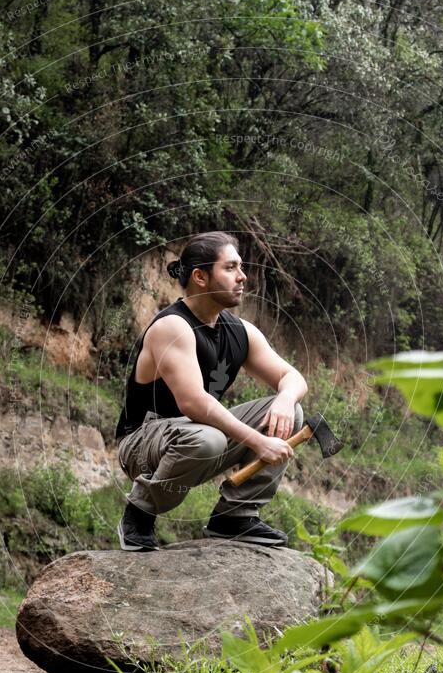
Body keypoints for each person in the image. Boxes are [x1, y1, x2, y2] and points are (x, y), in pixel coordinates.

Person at [115, 230, 308, 551]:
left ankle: (235, 515)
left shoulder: (240, 331)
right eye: (230, 268)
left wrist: (286, 399)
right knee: (209, 437)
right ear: (200, 277)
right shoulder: (172, 327)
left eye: (241, 267)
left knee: (293, 412)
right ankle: (139, 512)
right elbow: (193, 403)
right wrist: (259, 441)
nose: (243, 277)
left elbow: (293, 377)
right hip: (142, 443)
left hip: (198, 437)